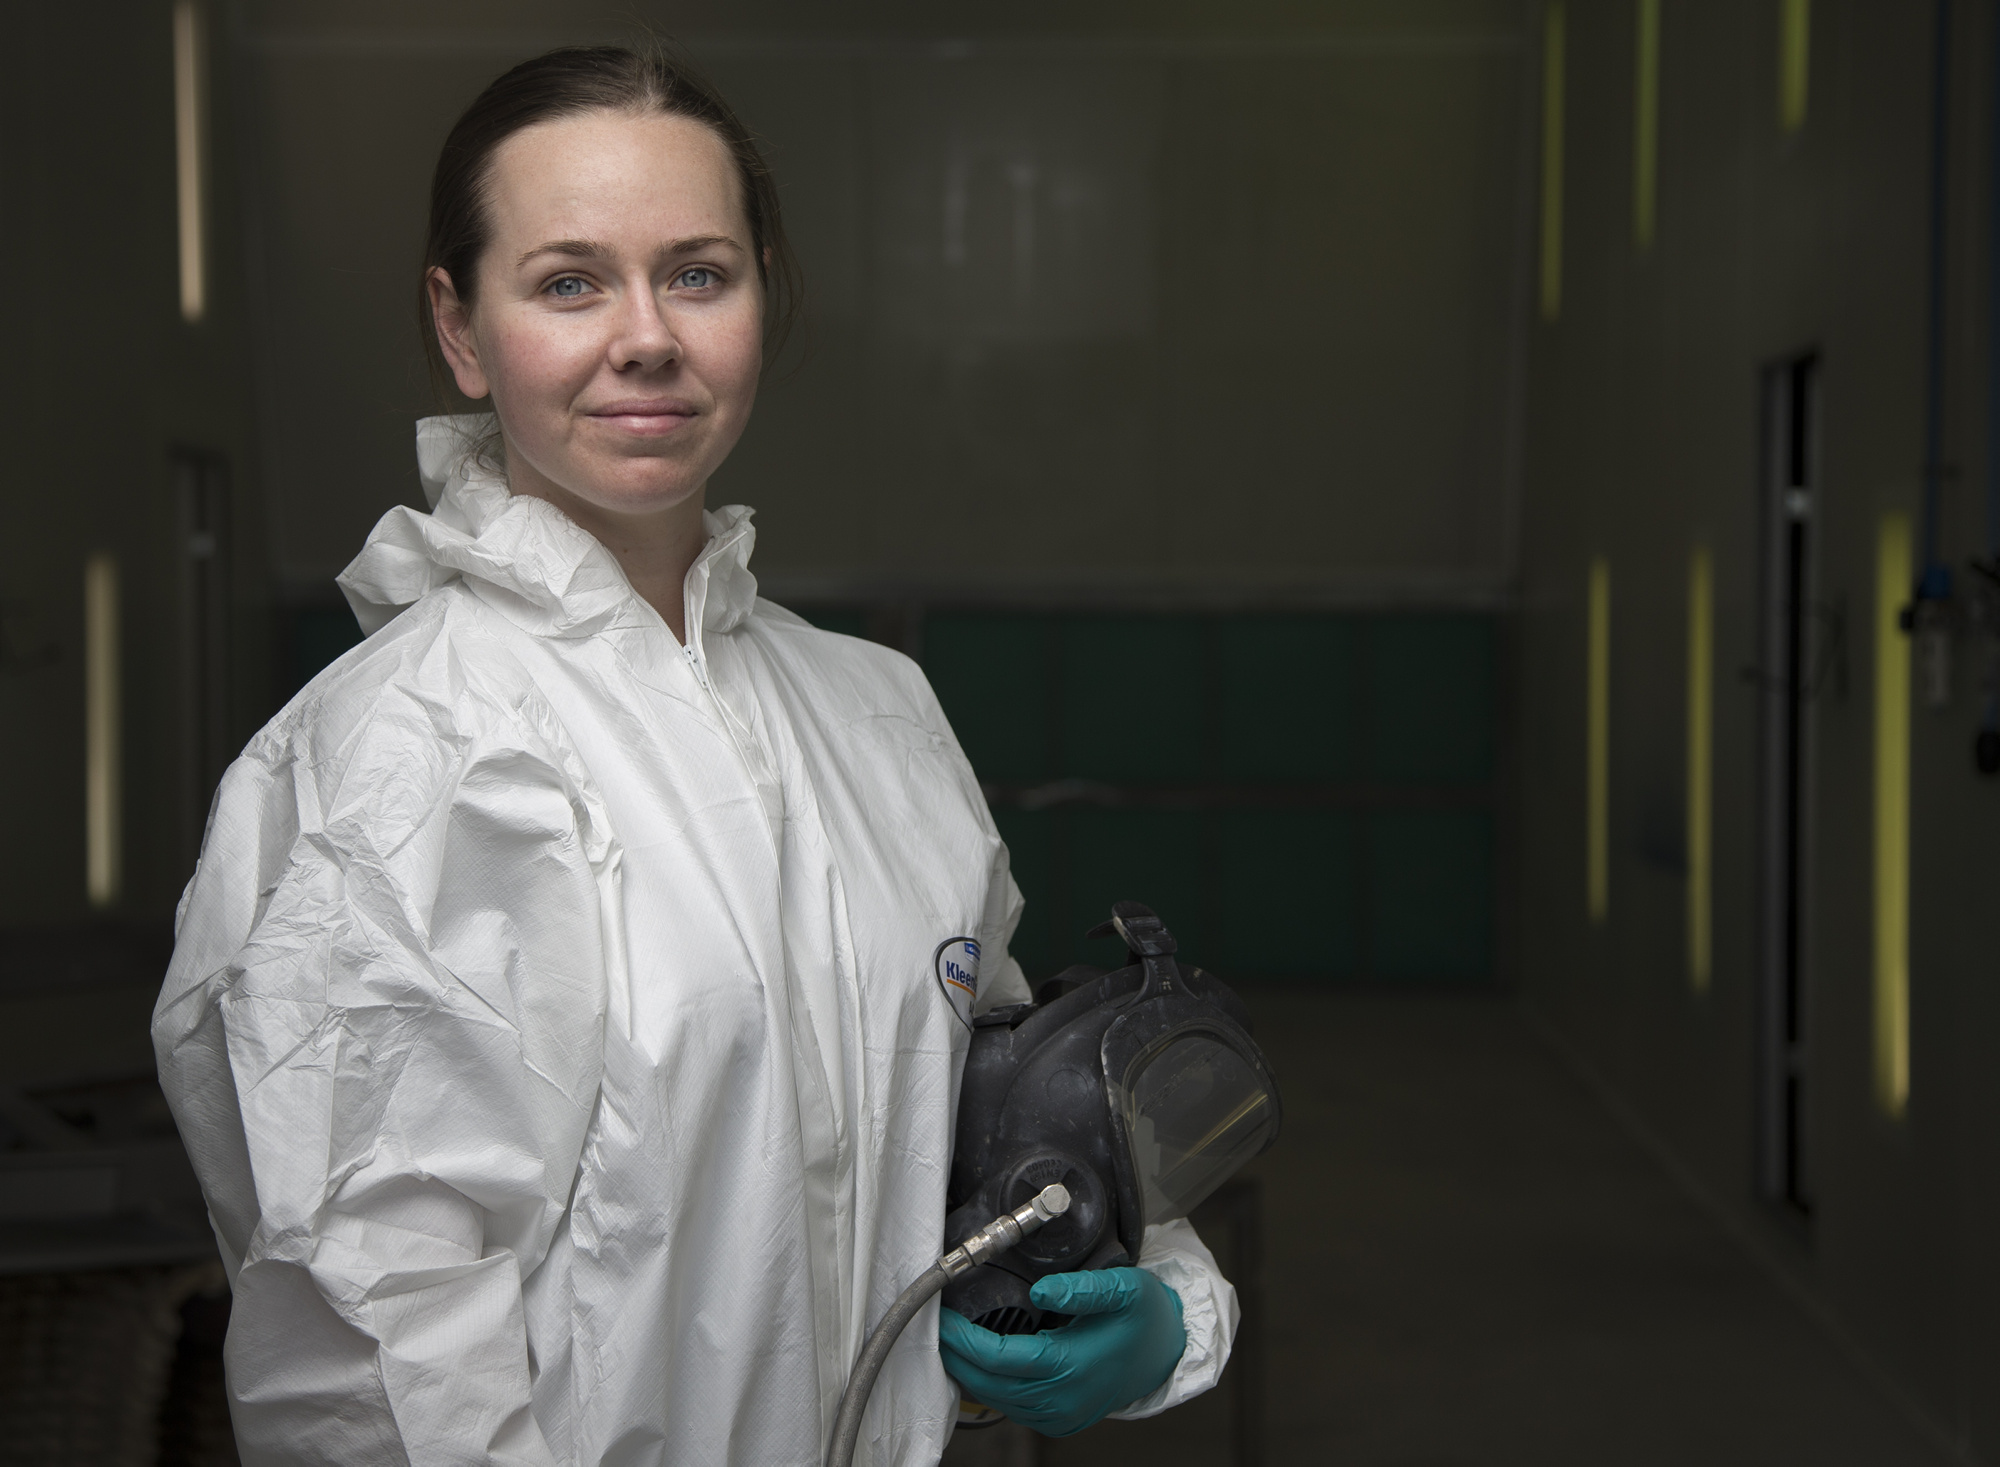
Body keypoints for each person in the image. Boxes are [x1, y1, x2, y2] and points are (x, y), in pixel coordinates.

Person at [153, 45, 1234, 1467]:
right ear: (462, 329)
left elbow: (995, 1119)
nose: (647, 336)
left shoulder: (875, 714)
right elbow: (376, 1352)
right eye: (568, 281)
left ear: (762, 300)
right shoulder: (393, 767)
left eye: (699, 273)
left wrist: (1161, 1297)